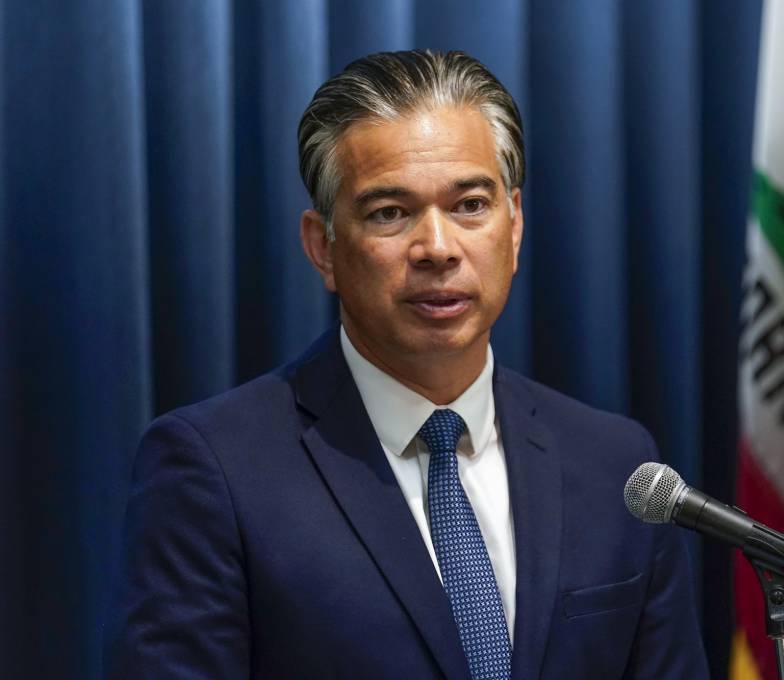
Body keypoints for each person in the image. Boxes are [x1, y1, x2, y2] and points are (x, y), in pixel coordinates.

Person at [104, 49, 708, 679]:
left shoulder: (616, 464)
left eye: (470, 204)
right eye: (389, 213)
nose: (438, 248)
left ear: (515, 224)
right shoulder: (213, 471)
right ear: (324, 248)